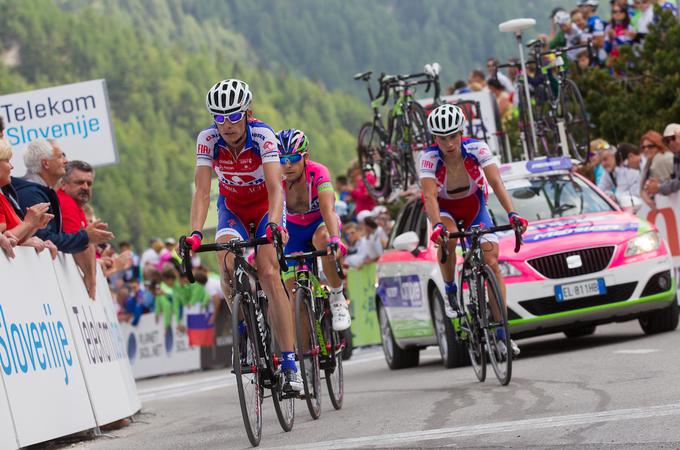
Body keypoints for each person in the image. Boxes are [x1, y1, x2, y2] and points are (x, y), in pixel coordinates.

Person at [185, 79, 301, 392]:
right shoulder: (207, 139)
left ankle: (290, 364)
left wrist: (275, 224)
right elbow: (201, 192)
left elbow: (277, 187)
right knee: (224, 262)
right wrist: (195, 232)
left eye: (234, 116)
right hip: (232, 208)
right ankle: (242, 323)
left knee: (267, 272)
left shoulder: (262, 134)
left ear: (247, 113)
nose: (227, 125)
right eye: (219, 118)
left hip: (265, 207)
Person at [420, 104, 527, 357]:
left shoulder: (477, 148)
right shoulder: (428, 157)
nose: (449, 143)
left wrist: (512, 213)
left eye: (453, 136)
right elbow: (429, 195)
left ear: (461, 133)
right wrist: (436, 226)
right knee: (447, 239)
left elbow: (496, 182)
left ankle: (502, 335)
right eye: (442, 138)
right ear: (435, 138)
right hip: (444, 210)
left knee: (492, 262)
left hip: (474, 207)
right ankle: (450, 290)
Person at [277, 128, 351, 331]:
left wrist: (335, 238)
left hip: (319, 223)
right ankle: (305, 359)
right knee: (295, 300)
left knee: (324, 240)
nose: (287, 165)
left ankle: (337, 297)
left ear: (305, 157)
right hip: (293, 231)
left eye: (293, 158)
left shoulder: (318, 172)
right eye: (281, 160)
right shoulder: (275, 178)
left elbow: (328, 210)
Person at [13, 139, 113, 255]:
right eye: (60, 156)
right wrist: (85, 236)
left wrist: (85, 236)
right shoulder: (31, 194)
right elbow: (45, 238)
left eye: (89, 183)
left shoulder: (39, 192)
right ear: (46, 163)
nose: (66, 161)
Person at [0, 138, 56, 257]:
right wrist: (28, 223)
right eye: (7, 161)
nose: (12, 166)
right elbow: (5, 240)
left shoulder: (3, 197)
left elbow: (14, 239)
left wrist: (34, 225)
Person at [58, 160, 101, 298]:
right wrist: (91, 281)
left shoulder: (77, 206)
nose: (85, 187)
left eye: (89, 183)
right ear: (63, 184)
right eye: (79, 182)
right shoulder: (66, 203)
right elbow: (79, 243)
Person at [640, 130, 674, 210]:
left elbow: (670, 185)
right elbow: (642, 188)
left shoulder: (661, 159)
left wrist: (656, 188)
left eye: (650, 146)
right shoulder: (649, 163)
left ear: (659, 146)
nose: (646, 149)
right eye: (643, 147)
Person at [644, 123, 680, 197]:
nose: (671, 143)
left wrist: (659, 187)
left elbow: (678, 183)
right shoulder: (676, 157)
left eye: (673, 138)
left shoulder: (666, 158)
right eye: (667, 141)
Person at [578, 0, 607, 65]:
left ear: (591, 7)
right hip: (587, 57)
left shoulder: (596, 22)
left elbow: (600, 43)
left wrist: (585, 43)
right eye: (580, 6)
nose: (580, 8)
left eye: (583, 6)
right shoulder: (587, 21)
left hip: (595, 59)